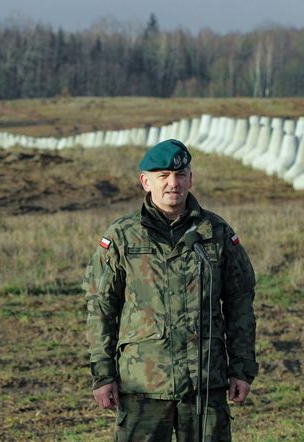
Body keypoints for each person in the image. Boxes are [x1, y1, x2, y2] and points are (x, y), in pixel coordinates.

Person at [83, 139, 258, 441]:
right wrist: (103, 375)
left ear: (190, 179)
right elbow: (101, 309)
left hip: (204, 383)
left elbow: (239, 303)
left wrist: (241, 368)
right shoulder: (122, 238)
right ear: (145, 182)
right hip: (143, 387)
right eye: (163, 176)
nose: (172, 184)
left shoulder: (216, 233)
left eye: (180, 176)